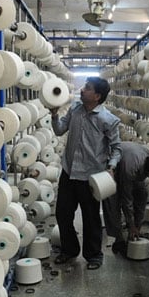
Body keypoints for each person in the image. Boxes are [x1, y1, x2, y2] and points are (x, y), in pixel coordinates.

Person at [50, 77, 122, 270]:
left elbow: (116, 148)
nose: (82, 90)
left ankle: (94, 255)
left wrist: (111, 167)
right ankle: (69, 250)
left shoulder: (108, 120)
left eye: (87, 88)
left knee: (91, 218)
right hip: (69, 171)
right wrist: (55, 115)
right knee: (63, 214)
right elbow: (59, 131)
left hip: (91, 176)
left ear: (97, 96)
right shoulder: (75, 109)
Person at [102, 141, 149, 255]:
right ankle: (118, 240)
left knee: (141, 195)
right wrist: (130, 223)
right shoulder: (132, 168)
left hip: (134, 165)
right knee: (112, 204)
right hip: (115, 167)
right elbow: (126, 199)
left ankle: (135, 231)